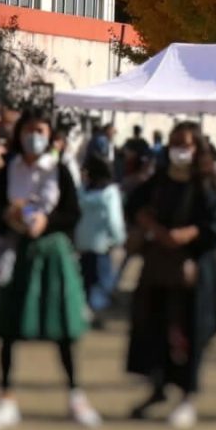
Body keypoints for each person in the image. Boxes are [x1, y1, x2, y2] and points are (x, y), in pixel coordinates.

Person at [0, 113, 99, 430]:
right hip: (16, 252)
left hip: (52, 253)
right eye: (29, 131)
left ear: (50, 135)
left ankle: (76, 396)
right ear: (19, 135)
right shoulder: (10, 170)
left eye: (40, 131)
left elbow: (72, 213)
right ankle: (6, 399)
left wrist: (48, 222)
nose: (34, 136)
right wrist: (8, 221)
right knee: (8, 329)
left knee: (63, 329)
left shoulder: (59, 169)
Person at [125, 122, 216, 428]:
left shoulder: (206, 183)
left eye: (185, 144)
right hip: (159, 268)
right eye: (174, 143)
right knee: (154, 328)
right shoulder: (159, 181)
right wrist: (147, 223)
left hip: (196, 271)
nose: (179, 150)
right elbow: (133, 203)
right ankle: (157, 388)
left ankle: (187, 398)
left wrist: (192, 233)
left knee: (191, 334)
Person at [73, 136, 127, 329]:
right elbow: (114, 219)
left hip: (83, 241)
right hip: (102, 244)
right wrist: (119, 238)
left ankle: (85, 310)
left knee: (85, 279)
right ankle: (96, 313)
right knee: (101, 280)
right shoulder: (110, 192)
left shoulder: (82, 191)